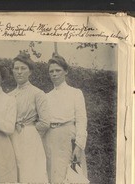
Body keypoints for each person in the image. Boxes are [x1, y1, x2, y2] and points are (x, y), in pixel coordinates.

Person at [44, 54, 88, 183]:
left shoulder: (75, 93)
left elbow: (81, 120)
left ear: (66, 71)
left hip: (68, 138)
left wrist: (79, 146)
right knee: (52, 175)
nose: (54, 74)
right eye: (51, 71)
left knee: (70, 175)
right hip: (50, 138)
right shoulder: (46, 96)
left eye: (58, 70)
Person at [9, 52, 49, 183]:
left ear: (30, 71)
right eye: (16, 68)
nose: (19, 72)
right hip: (11, 137)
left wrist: (29, 130)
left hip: (30, 139)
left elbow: (45, 122)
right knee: (14, 171)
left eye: (23, 68)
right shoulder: (9, 95)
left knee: (30, 173)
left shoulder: (38, 93)